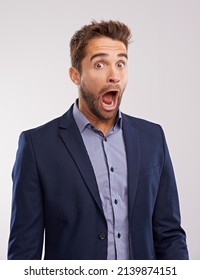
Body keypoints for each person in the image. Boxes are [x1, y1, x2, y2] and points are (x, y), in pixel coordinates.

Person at [8, 20, 189, 260]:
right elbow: (24, 252)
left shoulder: (153, 138)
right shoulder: (37, 146)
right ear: (75, 75)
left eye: (121, 64)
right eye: (100, 64)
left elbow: (170, 235)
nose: (114, 75)